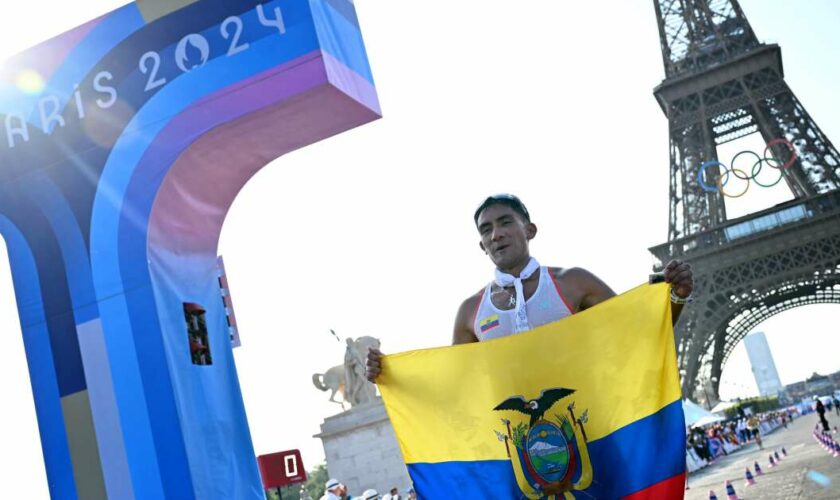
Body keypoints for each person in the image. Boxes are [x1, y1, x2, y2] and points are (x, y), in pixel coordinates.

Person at [366, 194, 694, 380]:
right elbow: (457, 383)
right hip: (520, 448)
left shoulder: (572, 282)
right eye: (486, 229)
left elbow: (641, 332)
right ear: (482, 245)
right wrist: (391, 374)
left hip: (593, 424)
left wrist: (676, 295)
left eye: (506, 222)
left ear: (530, 229)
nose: (497, 234)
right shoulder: (470, 312)